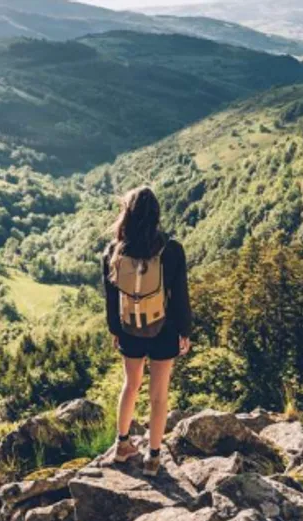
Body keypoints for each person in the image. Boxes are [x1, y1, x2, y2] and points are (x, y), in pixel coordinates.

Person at [102, 186, 191, 477]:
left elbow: (111, 298)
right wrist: (184, 332)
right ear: (156, 215)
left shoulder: (113, 252)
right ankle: (153, 458)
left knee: (131, 385)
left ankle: (122, 445)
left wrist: (116, 330)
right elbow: (179, 296)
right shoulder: (171, 249)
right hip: (164, 330)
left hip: (129, 329)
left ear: (126, 214)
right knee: (159, 396)